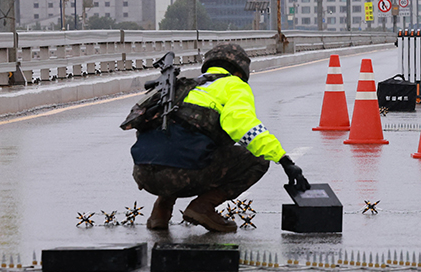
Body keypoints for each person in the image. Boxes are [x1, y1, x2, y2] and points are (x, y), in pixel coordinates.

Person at [130, 43, 309, 233]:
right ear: (240, 72)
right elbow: (243, 125)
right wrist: (283, 159)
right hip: (182, 175)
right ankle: (203, 207)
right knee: (257, 160)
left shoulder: (182, 86)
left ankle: (161, 211)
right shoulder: (234, 85)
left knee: (177, 143)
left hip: (144, 174)